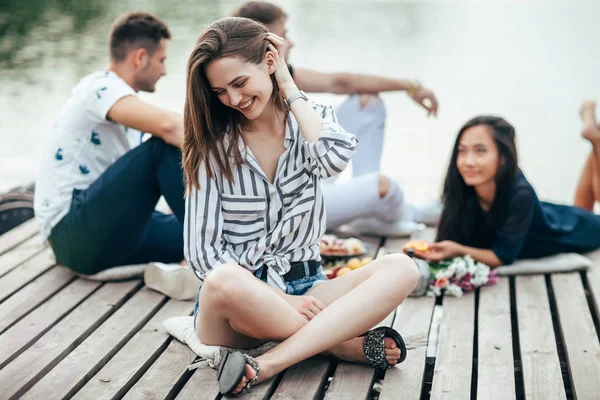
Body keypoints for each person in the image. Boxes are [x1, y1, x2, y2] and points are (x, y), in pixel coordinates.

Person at [182, 17, 418, 395]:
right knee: (223, 278)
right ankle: (337, 342)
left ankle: (270, 362)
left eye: (240, 83)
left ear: (269, 62)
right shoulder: (211, 147)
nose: (233, 99)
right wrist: (280, 298)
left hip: (307, 285)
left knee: (403, 267)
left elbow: (334, 160)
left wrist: (289, 87)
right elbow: (202, 255)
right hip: (236, 306)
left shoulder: (313, 120)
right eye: (221, 91)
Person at [232, 1, 441, 234]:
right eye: (284, 35)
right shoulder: (244, 92)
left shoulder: (278, 74)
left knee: (366, 103)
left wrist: (408, 86)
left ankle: (372, 214)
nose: (290, 43)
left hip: (307, 178)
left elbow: (341, 82)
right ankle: (409, 212)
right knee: (386, 187)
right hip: (292, 206)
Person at [34, 12, 189, 276]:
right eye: (161, 60)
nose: (164, 70)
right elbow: (171, 126)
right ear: (140, 57)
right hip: (72, 232)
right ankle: (217, 257)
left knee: (191, 234)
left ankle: (216, 253)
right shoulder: (99, 87)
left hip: (103, 233)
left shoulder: (122, 105)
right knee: (160, 148)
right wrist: (232, 156)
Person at [412, 112, 600, 267]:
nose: (468, 162)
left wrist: (458, 250)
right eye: (462, 151)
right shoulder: (463, 188)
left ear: (502, 158)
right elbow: (448, 238)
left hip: (577, 232)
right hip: (556, 215)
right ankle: (595, 143)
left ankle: (596, 142)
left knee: (589, 213)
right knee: (582, 208)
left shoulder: (521, 193)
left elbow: (502, 256)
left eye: (480, 151)